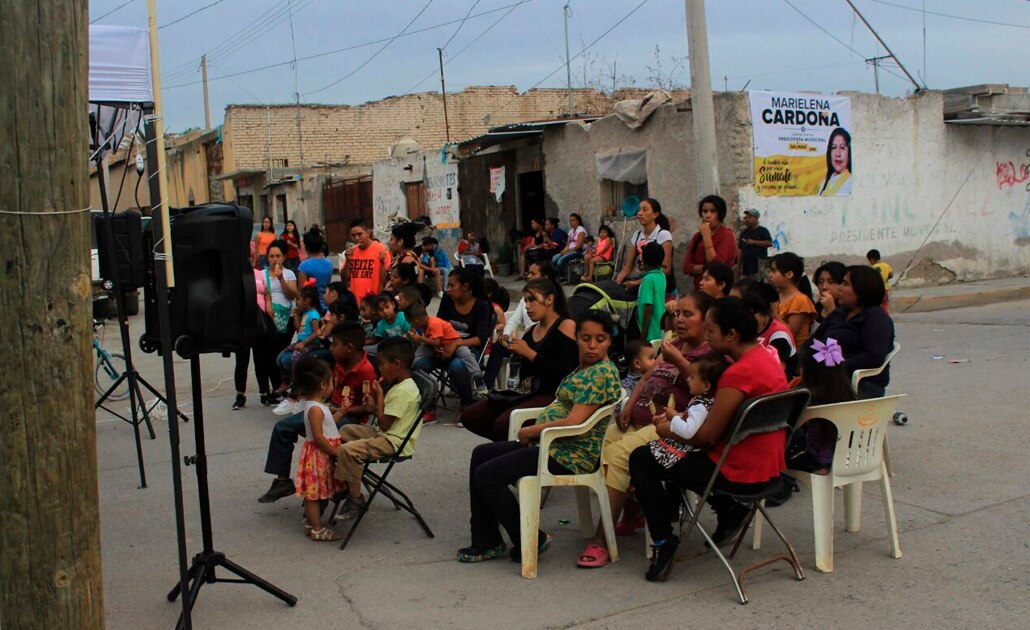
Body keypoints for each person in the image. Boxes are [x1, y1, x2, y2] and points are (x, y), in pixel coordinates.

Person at [629, 296, 789, 582]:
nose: (707, 335)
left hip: (738, 471)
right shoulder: (766, 356)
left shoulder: (738, 373)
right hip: (770, 467)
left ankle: (664, 542)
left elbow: (705, 437)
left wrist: (667, 428)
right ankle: (725, 510)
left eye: (711, 330)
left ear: (731, 335)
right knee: (667, 453)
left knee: (643, 458)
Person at [458, 311, 622, 564]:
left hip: (568, 454)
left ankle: (530, 537)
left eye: (600, 339)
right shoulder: (585, 368)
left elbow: (575, 421)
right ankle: (486, 540)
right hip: (552, 445)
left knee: (487, 475)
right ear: (577, 338)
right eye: (586, 338)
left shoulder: (599, 374)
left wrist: (531, 430)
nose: (592, 345)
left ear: (609, 341)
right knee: (481, 454)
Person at [577, 292, 713, 557]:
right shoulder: (675, 343)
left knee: (617, 458)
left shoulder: (709, 355)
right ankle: (633, 512)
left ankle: (601, 540)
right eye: (677, 314)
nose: (679, 320)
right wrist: (627, 407)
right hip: (638, 417)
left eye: (688, 314)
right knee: (597, 446)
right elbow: (645, 379)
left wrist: (680, 362)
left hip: (670, 424)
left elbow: (704, 393)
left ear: (706, 319)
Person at [257, 322, 377, 504]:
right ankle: (283, 481)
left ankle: (326, 487)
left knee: (318, 437)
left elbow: (369, 407)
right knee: (283, 427)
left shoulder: (366, 371)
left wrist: (343, 409)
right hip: (328, 409)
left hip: (349, 418)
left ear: (349, 348)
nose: (332, 348)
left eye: (335, 344)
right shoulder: (340, 362)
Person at [460, 278, 578, 441]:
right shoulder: (532, 330)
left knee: (503, 424)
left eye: (532, 300)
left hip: (552, 394)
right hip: (526, 391)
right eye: (525, 301)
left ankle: (509, 449)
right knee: (470, 416)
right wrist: (516, 352)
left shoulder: (566, 326)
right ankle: (508, 447)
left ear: (549, 300)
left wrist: (529, 353)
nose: (527, 306)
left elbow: (566, 373)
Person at [333, 336, 421, 520]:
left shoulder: (403, 391)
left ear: (396, 364)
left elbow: (384, 423)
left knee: (348, 450)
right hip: (384, 433)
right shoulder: (399, 385)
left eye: (381, 364)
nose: (379, 368)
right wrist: (373, 406)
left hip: (393, 441)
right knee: (343, 431)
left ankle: (355, 498)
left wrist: (379, 396)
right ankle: (346, 480)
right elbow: (383, 416)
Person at [415, 268, 493, 415]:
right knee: (419, 364)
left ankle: (467, 405)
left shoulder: (482, 306)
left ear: (465, 286)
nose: (448, 289)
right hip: (443, 347)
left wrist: (456, 344)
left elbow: (480, 339)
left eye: (452, 285)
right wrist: (436, 345)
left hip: (468, 349)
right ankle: (428, 408)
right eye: (447, 285)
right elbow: (437, 325)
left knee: (457, 366)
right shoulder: (447, 300)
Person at [811, 265, 895, 399]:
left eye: (845, 284)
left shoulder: (876, 318)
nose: (839, 288)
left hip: (860, 385)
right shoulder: (839, 312)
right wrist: (820, 361)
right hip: (826, 378)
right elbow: (815, 340)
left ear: (861, 289)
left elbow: (873, 357)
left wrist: (835, 365)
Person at [290, 356, 345, 541]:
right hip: (319, 456)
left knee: (318, 493)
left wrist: (342, 412)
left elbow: (328, 427)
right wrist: (336, 452)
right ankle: (316, 528)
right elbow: (319, 436)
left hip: (321, 453)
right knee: (314, 494)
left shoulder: (318, 406)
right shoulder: (315, 409)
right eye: (331, 381)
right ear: (323, 385)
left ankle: (311, 523)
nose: (333, 385)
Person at [482, 260, 558, 390]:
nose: (528, 276)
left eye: (533, 273)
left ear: (545, 278)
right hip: (525, 342)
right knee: (498, 347)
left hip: (540, 347)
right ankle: (487, 388)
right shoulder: (525, 299)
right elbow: (514, 320)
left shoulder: (553, 302)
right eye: (528, 273)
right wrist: (506, 335)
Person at [786, 338, 855, 474]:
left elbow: (790, 423)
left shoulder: (808, 396)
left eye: (802, 366)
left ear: (810, 371)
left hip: (814, 457)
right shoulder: (846, 392)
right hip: (844, 455)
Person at [406, 302, 483, 388]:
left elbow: (436, 342)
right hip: (441, 347)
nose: (411, 326)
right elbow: (434, 342)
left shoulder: (434, 323)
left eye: (410, 323)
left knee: (466, 354)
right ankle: (410, 369)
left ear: (416, 322)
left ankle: (477, 374)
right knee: (421, 350)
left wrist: (420, 338)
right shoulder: (424, 325)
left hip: (455, 343)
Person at [272, 285, 322, 415]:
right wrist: (295, 316)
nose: (297, 302)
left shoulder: (314, 315)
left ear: (307, 301)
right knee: (281, 357)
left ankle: (296, 380)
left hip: (310, 344)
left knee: (295, 358)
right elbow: (298, 328)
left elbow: (317, 333)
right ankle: (286, 380)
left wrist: (304, 343)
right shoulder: (304, 314)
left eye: (299, 299)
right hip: (300, 342)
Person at [734, 279, 798, 377]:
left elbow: (777, 375)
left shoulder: (779, 335)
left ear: (751, 308)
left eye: (734, 302)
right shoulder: (741, 329)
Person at [233, 265, 275, 410]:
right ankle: (240, 394)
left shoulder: (258, 274)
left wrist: (269, 305)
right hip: (243, 323)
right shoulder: (235, 275)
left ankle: (264, 392)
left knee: (261, 359)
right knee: (242, 360)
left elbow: (266, 292)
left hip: (260, 321)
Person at [261, 240, 298, 405]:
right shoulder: (262, 275)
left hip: (286, 319)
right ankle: (274, 387)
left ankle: (282, 385)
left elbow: (292, 295)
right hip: (269, 319)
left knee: (282, 353)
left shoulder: (289, 274)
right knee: (269, 353)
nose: (274, 259)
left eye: (278, 256)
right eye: (271, 256)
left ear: (283, 257)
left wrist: (281, 278)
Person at [614, 198, 673, 294]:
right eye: (638, 210)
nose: (640, 213)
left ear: (655, 214)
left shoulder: (663, 235)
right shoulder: (637, 236)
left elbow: (665, 270)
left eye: (644, 210)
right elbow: (628, 267)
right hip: (646, 285)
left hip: (661, 288)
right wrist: (617, 282)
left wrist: (637, 283)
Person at [683, 195, 738, 291]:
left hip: (718, 291)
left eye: (713, 211)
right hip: (700, 290)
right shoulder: (697, 236)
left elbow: (715, 266)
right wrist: (705, 267)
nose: (708, 215)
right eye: (705, 211)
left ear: (720, 214)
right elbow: (687, 267)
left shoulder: (726, 235)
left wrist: (707, 238)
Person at [769, 252, 817, 348]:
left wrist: (771, 313)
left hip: (795, 353)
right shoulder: (777, 297)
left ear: (789, 274)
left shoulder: (800, 300)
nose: (770, 275)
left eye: (774, 271)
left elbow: (790, 333)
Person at [341, 219, 391, 300]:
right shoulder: (351, 251)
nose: (357, 238)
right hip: (355, 303)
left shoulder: (381, 250)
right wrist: (348, 261)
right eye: (353, 235)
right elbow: (344, 279)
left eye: (360, 234)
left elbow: (386, 281)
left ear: (368, 233)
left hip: (374, 302)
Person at [636, 242, 667, 343]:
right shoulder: (661, 275)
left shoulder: (648, 280)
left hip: (650, 333)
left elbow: (648, 309)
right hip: (659, 328)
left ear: (644, 261)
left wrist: (643, 336)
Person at [298, 231, 334, 310]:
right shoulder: (329, 263)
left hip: (311, 307)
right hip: (326, 305)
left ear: (306, 246)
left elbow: (301, 291)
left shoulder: (304, 266)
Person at [736, 209, 773, 280]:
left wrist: (754, 242)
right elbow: (740, 250)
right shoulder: (744, 233)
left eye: (750, 217)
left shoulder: (763, 231)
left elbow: (769, 243)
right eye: (745, 218)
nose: (747, 219)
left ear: (756, 218)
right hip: (746, 267)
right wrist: (738, 266)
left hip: (759, 266)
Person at [819, 127, 852, 196]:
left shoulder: (850, 183)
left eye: (842, 147)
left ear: (849, 152)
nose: (838, 154)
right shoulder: (825, 181)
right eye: (834, 147)